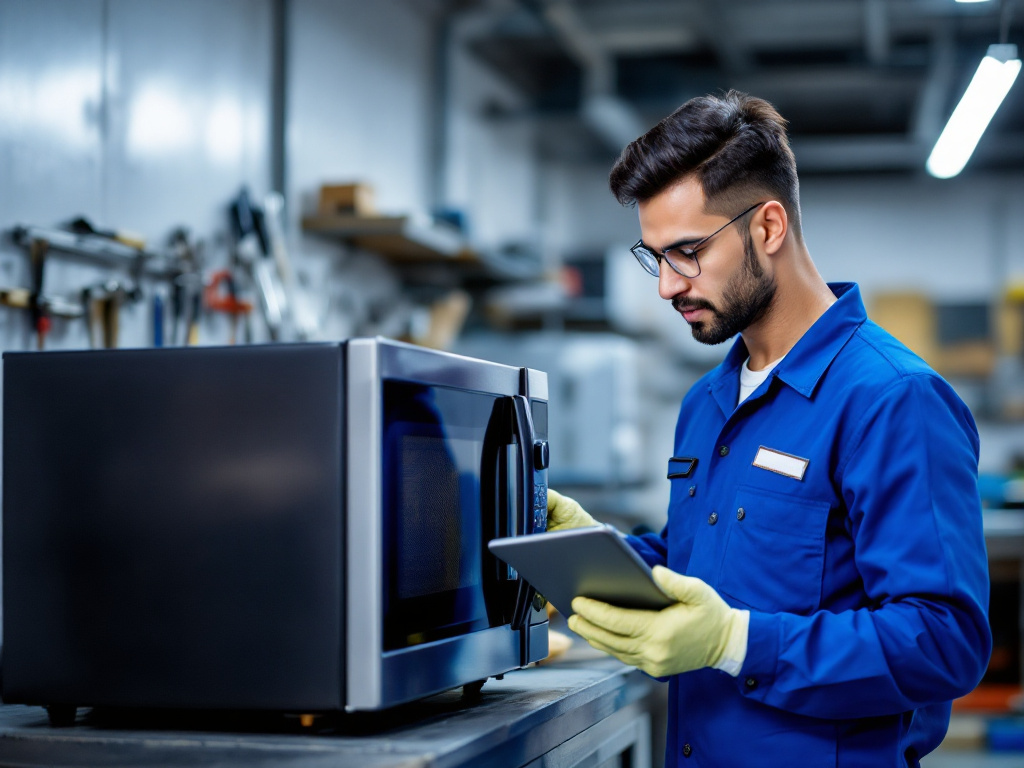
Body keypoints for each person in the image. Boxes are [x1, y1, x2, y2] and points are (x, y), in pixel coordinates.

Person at [547, 90, 991, 767]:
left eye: (687, 252)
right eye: (654, 256)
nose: (666, 286)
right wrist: (592, 553)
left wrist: (734, 644)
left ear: (768, 228)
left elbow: (941, 640)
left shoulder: (892, 399)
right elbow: (706, 573)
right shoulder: (708, 401)